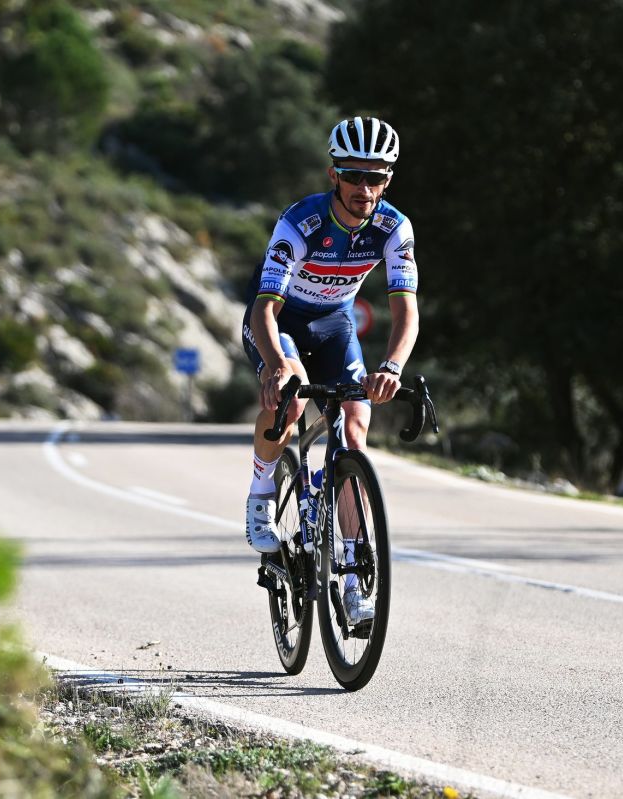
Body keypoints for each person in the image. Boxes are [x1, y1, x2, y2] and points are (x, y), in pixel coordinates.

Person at [241, 116, 420, 625]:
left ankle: (355, 579)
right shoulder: (300, 222)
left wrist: (391, 367)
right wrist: (276, 365)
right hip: (280, 321)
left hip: (335, 323)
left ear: (388, 180)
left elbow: (406, 311)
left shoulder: (394, 228)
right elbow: (264, 309)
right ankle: (260, 493)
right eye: (353, 175)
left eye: (375, 177)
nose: (364, 188)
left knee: (355, 430)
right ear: (333, 175)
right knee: (292, 397)